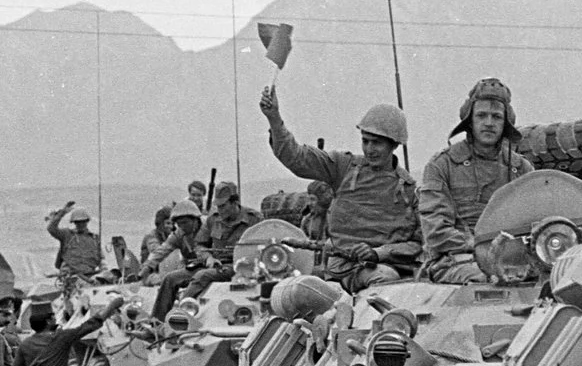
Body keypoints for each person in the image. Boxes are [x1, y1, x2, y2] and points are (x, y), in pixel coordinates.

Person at [260, 87, 422, 292]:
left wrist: (379, 253)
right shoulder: (344, 167)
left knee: (395, 281)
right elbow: (297, 158)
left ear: (394, 145)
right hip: (342, 269)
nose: (369, 149)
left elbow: (417, 244)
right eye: (365, 141)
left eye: (377, 143)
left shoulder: (408, 189)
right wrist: (274, 118)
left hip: (387, 270)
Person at [419, 78, 534, 284]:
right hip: (456, 259)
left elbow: (534, 221)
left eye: (496, 117)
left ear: (506, 123)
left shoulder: (521, 169)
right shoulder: (442, 165)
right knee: (488, 279)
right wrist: (478, 245)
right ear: (470, 121)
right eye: (481, 115)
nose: (489, 123)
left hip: (512, 259)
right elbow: (436, 230)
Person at [182, 182, 262, 298]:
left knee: (202, 276)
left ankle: (183, 307)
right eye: (218, 206)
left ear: (235, 203)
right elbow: (199, 245)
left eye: (223, 206)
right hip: (215, 265)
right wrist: (208, 258)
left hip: (240, 267)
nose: (219, 210)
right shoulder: (213, 219)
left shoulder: (254, 219)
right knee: (171, 278)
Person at [137, 200, 204, 320]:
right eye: (179, 224)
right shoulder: (179, 234)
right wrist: (147, 267)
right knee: (169, 279)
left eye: (185, 222)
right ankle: (158, 320)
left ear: (195, 220)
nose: (182, 227)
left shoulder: (208, 226)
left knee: (196, 281)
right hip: (194, 268)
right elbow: (161, 251)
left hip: (212, 266)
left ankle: (184, 313)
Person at [46, 202, 103, 278]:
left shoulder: (94, 238)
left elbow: (101, 258)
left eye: (83, 221)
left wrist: (104, 272)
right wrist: (62, 213)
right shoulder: (67, 234)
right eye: (77, 222)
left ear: (87, 221)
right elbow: (51, 229)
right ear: (74, 223)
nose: (81, 224)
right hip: (70, 275)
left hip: (89, 275)